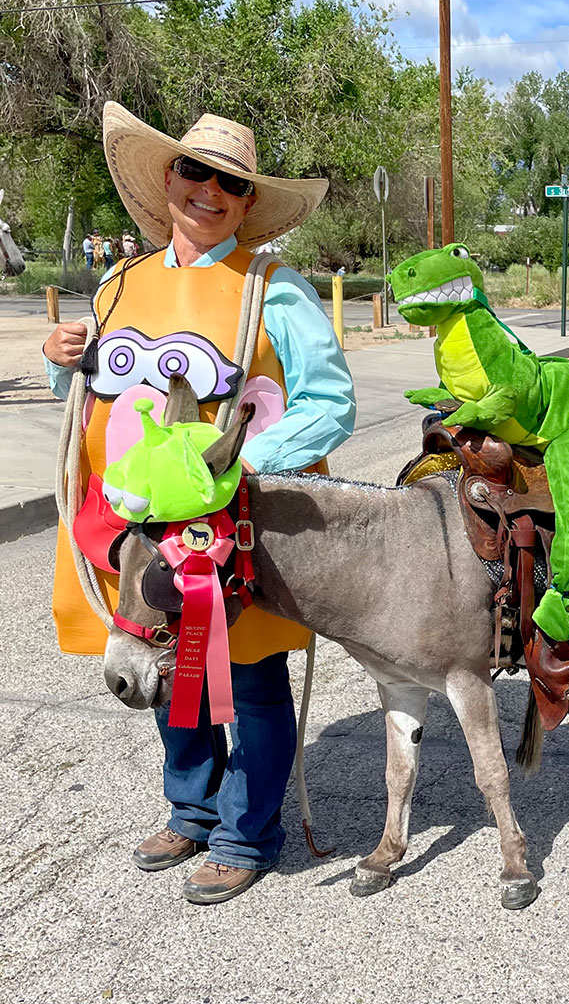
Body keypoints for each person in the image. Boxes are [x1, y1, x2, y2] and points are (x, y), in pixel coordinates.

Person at [43, 103, 356, 905]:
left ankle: (246, 832)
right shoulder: (119, 283)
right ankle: (192, 807)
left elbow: (329, 402)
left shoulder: (273, 290)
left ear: (249, 201)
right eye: (196, 172)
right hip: (132, 524)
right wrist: (59, 363)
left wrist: (231, 466)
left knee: (247, 676)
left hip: (229, 525)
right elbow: (96, 393)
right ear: (169, 179)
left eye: (232, 182)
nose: (210, 190)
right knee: (162, 660)